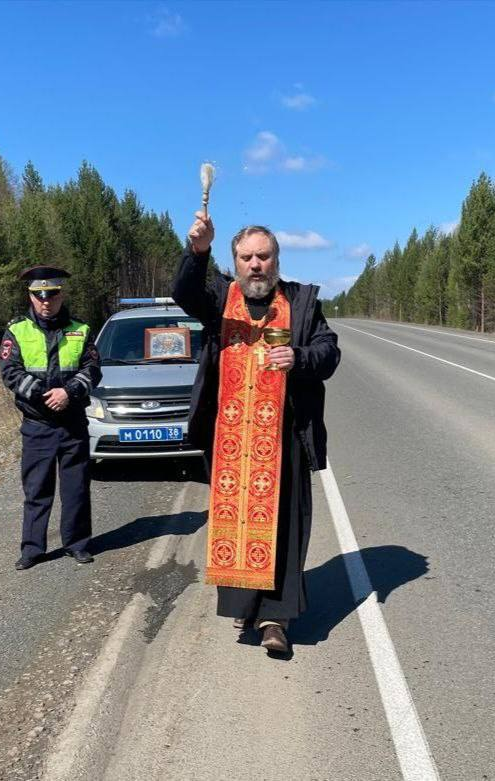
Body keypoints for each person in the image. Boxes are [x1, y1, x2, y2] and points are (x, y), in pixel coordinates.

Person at [173, 212, 340, 655]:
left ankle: (275, 618)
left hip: (282, 438)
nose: (255, 265)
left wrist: (299, 358)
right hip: (230, 438)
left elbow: (329, 352)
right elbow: (183, 292)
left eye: (263, 256)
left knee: (284, 527)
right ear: (235, 261)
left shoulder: (301, 302)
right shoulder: (217, 298)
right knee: (236, 523)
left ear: (277, 259)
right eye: (246, 257)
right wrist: (197, 250)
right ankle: (245, 605)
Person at [0, 266, 102, 570]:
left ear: (61, 294)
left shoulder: (81, 329)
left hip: (72, 423)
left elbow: (93, 369)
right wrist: (47, 394)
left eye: (52, 295)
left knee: (77, 488)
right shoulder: (17, 330)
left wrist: (68, 392)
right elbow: (10, 372)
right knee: (36, 490)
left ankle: (78, 544)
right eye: (39, 296)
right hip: (37, 425)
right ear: (31, 296)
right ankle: (32, 549)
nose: (46, 302)